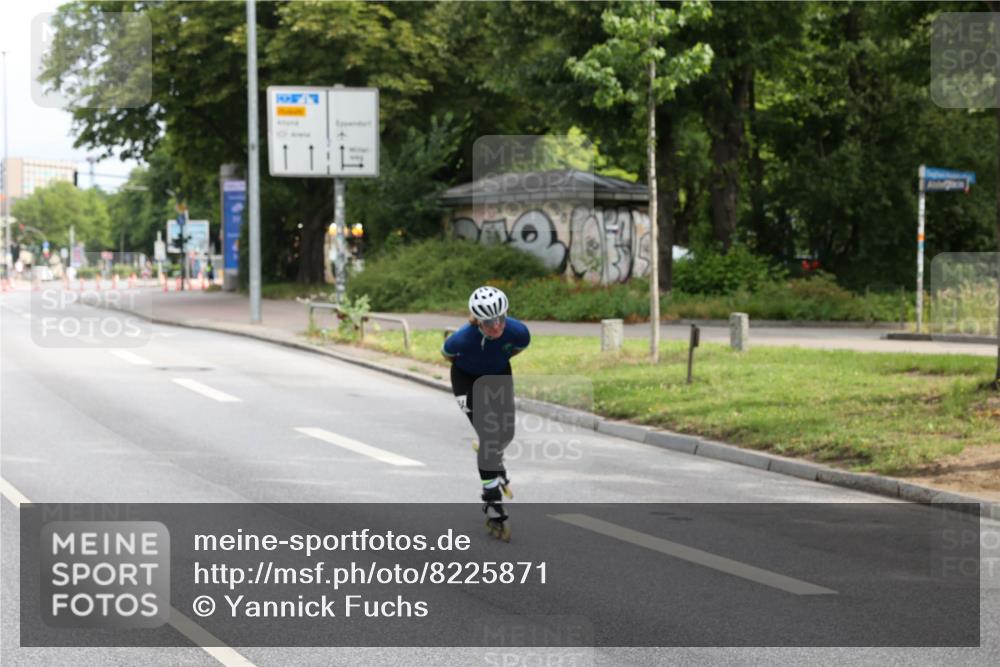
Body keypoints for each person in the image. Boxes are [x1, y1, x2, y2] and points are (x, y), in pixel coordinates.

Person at [442, 286, 530, 539]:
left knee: (506, 431)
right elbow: (447, 355)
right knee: (489, 433)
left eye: (500, 318)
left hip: (498, 374)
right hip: (466, 378)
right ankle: (491, 500)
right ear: (477, 320)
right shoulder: (461, 340)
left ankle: (491, 453)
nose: (496, 326)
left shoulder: (518, 332)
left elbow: (516, 348)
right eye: (489, 321)